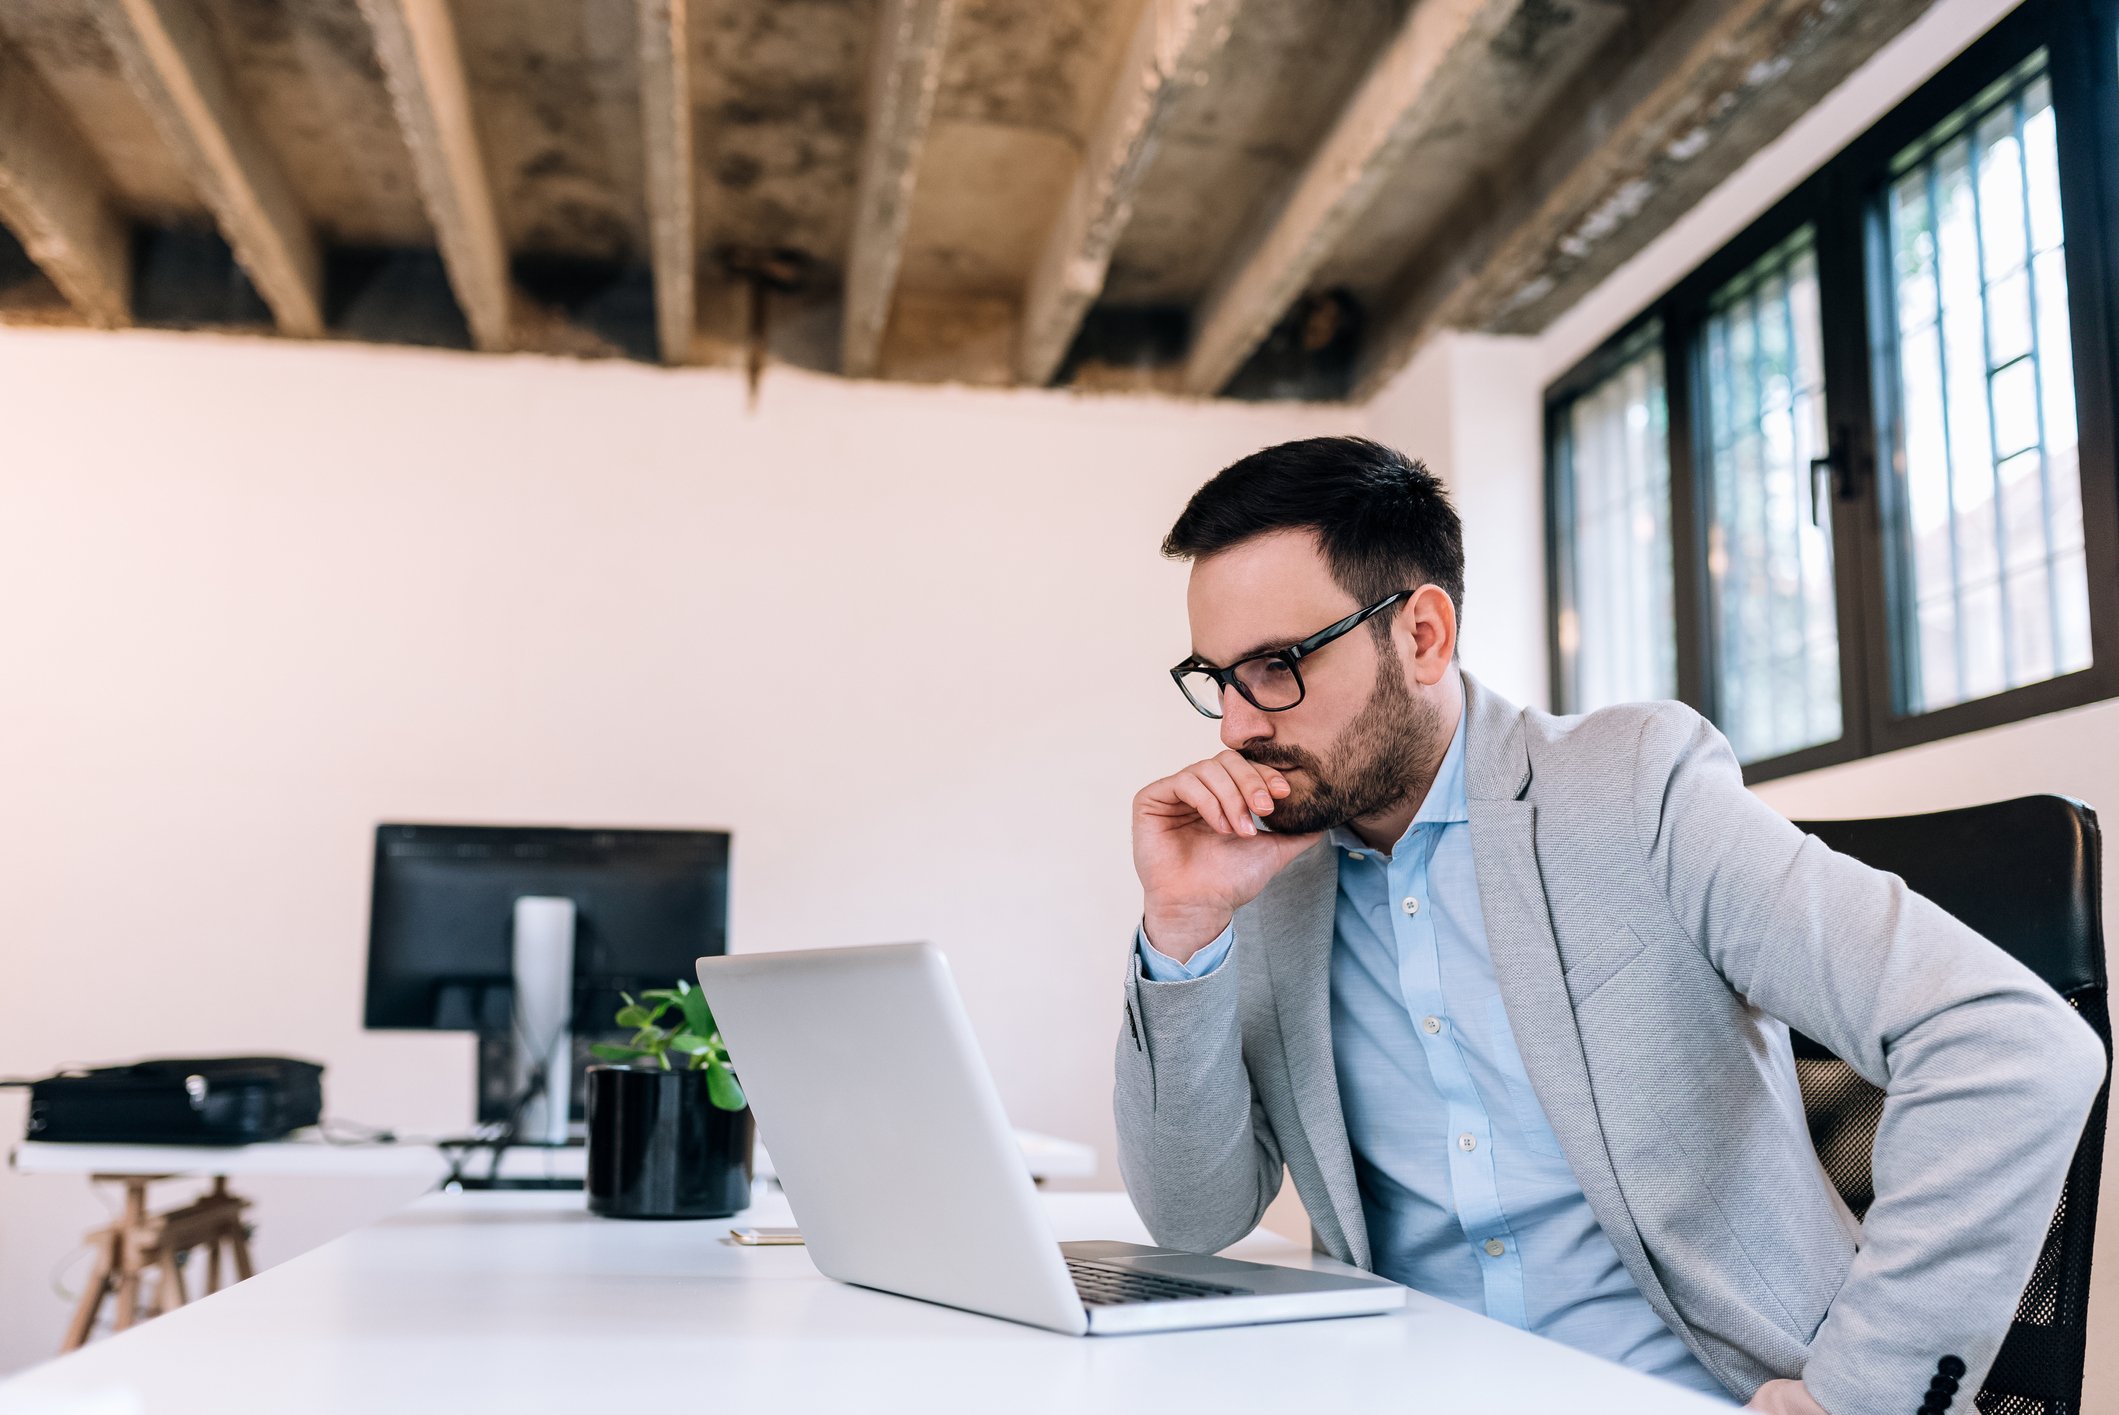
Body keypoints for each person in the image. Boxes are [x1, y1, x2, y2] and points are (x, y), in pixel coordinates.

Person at [1113, 436, 2105, 1415]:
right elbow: (1196, 1218)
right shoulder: (1276, 875)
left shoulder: (1632, 787)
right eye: (1218, 676)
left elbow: (2013, 1047)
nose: (1237, 726)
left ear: (1422, 634)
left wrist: (1863, 1396)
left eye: (1278, 665)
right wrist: (1184, 925)